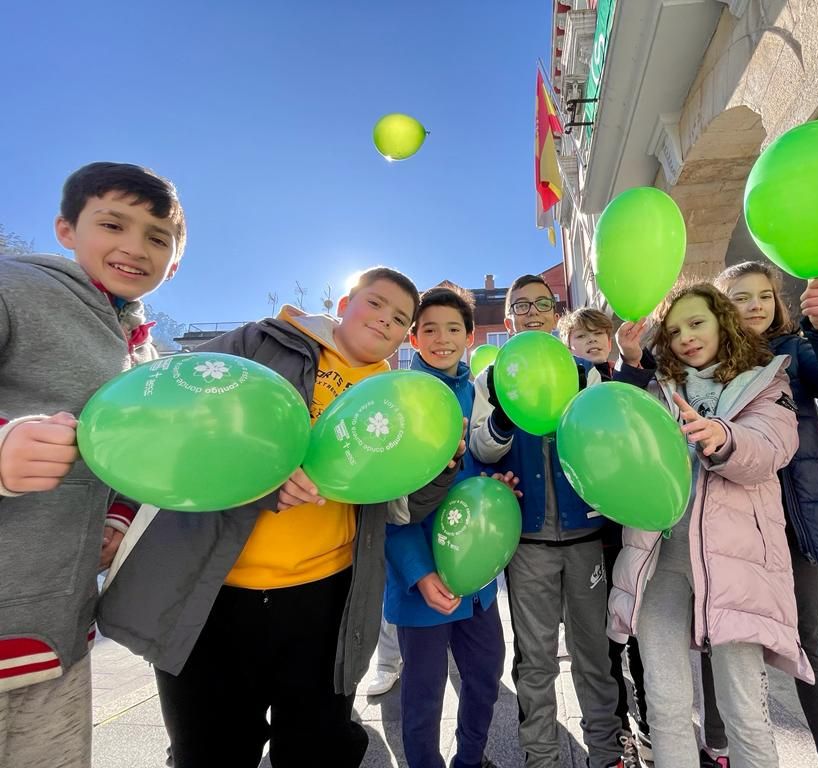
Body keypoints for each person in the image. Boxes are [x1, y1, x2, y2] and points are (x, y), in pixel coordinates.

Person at [98, 267, 464, 768]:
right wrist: (261, 475)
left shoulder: (402, 398)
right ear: (344, 303)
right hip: (214, 596)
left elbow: (400, 506)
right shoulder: (260, 341)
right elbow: (179, 418)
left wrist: (440, 470)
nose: (385, 321)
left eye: (400, 318)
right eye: (375, 303)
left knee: (316, 745)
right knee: (210, 749)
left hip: (325, 599)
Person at [0, 161, 186, 768]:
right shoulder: (15, 289)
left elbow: (133, 462)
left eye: (157, 237)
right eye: (113, 224)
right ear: (65, 228)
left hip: (56, 636)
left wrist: (118, 518)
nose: (135, 247)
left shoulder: (143, 352)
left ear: (174, 261)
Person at [611, 282, 810, 768]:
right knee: (666, 706)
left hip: (735, 567)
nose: (685, 338)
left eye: (697, 323)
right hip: (659, 564)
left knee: (745, 712)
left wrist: (722, 437)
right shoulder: (657, 388)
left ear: (723, 320)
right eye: (675, 330)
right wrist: (630, 366)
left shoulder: (768, 381)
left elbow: (770, 449)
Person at [709, 261, 818, 768]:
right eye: (741, 297)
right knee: (725, 635)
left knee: (808, 642)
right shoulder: (707, 365)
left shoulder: (799, 350)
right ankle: (716, 745)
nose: (756, 305)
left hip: (794, 520)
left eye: (764, 295)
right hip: (733, 524)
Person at [469, 275, 627, 768]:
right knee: (534, 661)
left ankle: (605, 754)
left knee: (594, 658)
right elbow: (480, 447)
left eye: (542, 303)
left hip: (585, 540)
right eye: (521, 306)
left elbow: (606, 446)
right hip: (528, 545)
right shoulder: (491, 378)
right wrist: (505, 417)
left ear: (557, 312)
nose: (532, 312)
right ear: (510, 317)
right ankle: (541, 757)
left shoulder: (587, 373)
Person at [386, 285, 509, 768]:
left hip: (476, 579)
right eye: (429, 330)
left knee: (484, 677)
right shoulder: (399, 397)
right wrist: (420, 573)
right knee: (422, 698)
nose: (442, 339)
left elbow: (481, 465)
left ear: (470, 335)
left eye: (452, 329)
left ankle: (471, 759)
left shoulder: (478, 391)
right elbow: (387, 503)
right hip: (422, 584)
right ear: (413, 339)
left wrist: (499, 485)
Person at [558, 307, 653, 764]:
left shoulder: (626, 374)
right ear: (568, 343)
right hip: (588, 536)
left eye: (599, 333)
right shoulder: (565, 385)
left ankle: (652, 724)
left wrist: (633, 363)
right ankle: (615, 730)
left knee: (637, 632)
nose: (593, 341)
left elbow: (631, 416)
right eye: (581, 335)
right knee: (602, 641)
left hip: (630, 527)